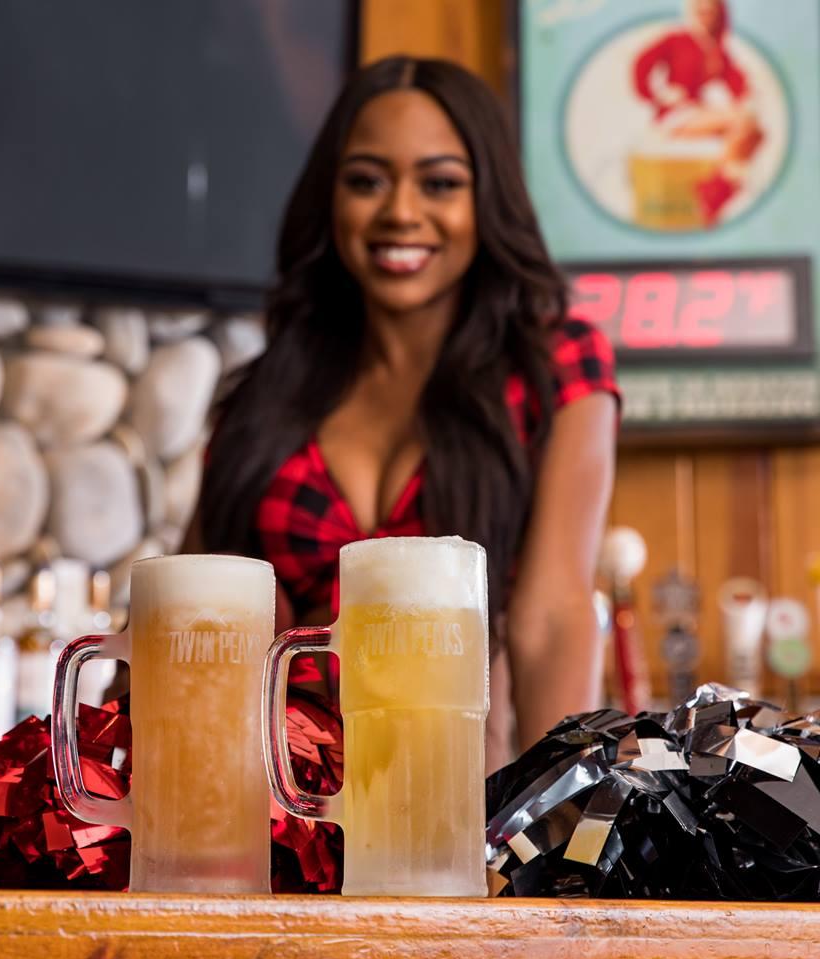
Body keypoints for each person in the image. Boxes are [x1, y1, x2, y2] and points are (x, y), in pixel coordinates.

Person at [184, 56, 620, 774]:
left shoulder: (554, 367)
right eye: (366, 181)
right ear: (330, 200)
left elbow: (550, 619)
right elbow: (185, 618)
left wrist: (557, 842)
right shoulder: (262, 395)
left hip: (443, 820)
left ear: (489, 201)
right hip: (266, 817)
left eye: (440, 183)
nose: (401, 212)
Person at [632, 0, 764, 225]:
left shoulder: (715, 48)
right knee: (741, 120)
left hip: (698, 112)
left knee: (755, 132)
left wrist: (746, 96)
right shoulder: (677, 40)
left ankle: (717, 187)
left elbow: (736, 79)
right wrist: (656, 94)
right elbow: (641, 63)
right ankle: (717, 191)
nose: (705, 16)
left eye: (710, 12)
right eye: (700, 11)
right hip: (675, 116)